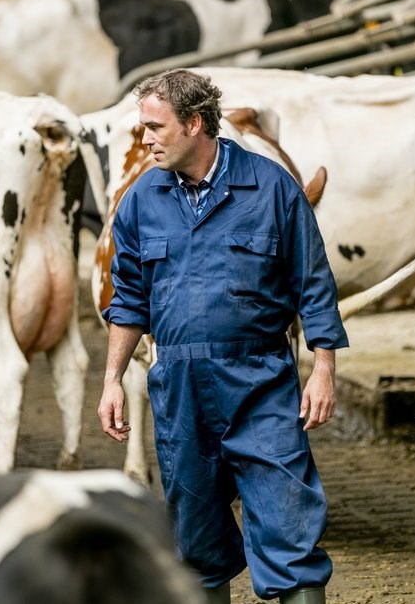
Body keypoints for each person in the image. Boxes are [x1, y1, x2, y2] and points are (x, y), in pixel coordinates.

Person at [97, 69, 348, 604]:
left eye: (154, 126)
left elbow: (314, 284)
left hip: (260, 383)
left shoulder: (271, 186)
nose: (145, 138)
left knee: (289, 531)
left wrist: (323, 369)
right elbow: (128, 300)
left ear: (194, 123)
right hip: (180, 388)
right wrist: (112, 379)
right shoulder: (142, 200)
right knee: (196, 546)